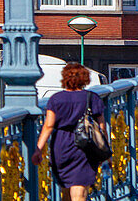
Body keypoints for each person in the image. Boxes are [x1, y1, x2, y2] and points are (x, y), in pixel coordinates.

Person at [32, 62, 108, 200]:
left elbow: (48, 126)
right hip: (85, 145)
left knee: (66, 187)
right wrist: (104, 150)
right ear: (85, 78)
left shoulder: (56, 99)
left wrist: (39, 149)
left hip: (61, 145)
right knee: (80, 186)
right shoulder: (92, 98)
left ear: (65, 78)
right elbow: (101, 127)